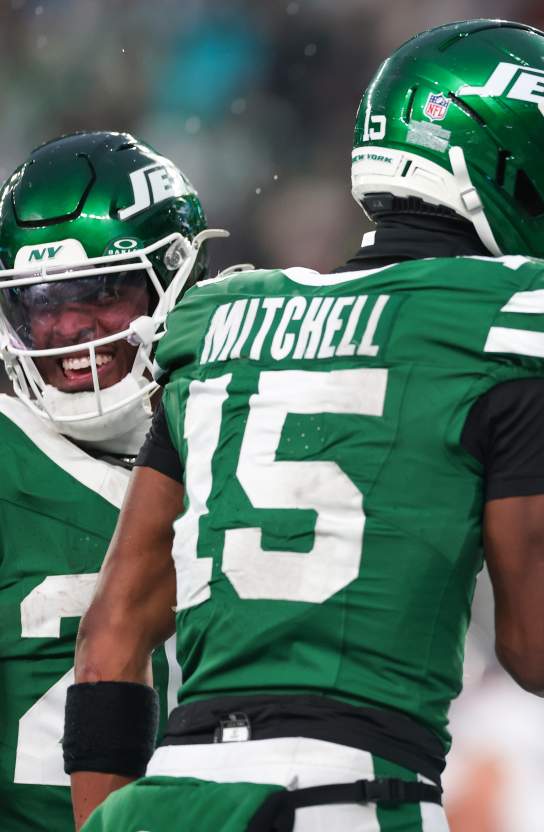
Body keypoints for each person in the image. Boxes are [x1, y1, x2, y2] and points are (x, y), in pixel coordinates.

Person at [68, 20, 544, 832]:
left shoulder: (219, 318)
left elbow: (111, 638)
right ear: (507, 166)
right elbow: (543, 651)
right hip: (345, 791)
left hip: (174, 793)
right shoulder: (513, 315)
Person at [0, 131, 222, 830]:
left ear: (176, 279)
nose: (69, 327)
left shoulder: (236, 437)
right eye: (41, 301)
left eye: (101, 290)